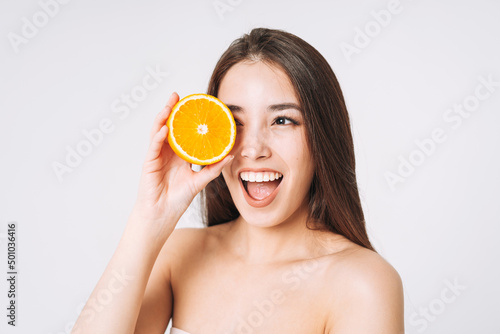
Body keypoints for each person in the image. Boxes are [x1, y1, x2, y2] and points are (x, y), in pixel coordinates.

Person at [72, 28, 404, 334]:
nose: (253, 149)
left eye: (283, 120)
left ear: (322, 138)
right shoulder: (179, 256)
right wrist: (149, 218)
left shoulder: (363, 283)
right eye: (234, 121)